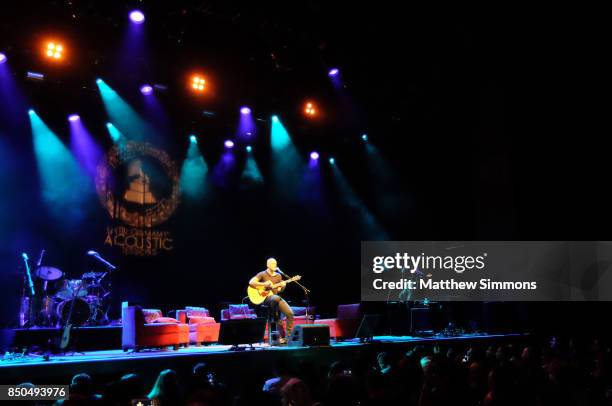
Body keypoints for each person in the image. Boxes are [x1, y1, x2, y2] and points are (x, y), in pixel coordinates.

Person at [249, 258, 294, 344]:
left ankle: (287, 338)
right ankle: (276, 317)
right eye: (273, 263)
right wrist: (264, 284)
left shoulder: (278, 275)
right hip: (265, 299)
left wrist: (283, 285)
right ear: (268, 265)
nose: (275, 265)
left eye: (275, 263)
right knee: (275, 298)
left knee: (290, 313)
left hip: (276, 298)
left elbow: (280, 290)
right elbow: (251, 282)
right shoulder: (262, 274)